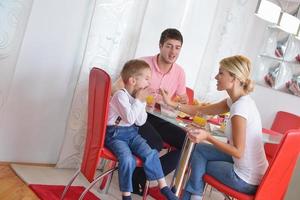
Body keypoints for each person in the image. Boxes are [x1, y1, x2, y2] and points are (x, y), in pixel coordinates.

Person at [161, 55, 269, 200]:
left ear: (234, 78)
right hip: (253, 171)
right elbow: (201, 110)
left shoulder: (240, 109)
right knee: (198, 150)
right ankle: (194, 197)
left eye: (221, 73)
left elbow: (238, 151)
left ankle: (191, 197)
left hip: (245, 179)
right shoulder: (236, 101)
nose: (216, 77)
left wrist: (208, 137)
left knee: (200, 164)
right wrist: (172, 103)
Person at [112, 28, 188, 195]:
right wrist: (137, 96)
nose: (173, 51)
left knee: (187, 143)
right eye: (169, 46)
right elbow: (116, 87)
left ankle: (141, 174)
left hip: (161, 118)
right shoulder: (143, 64)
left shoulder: (180, 72)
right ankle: (137, 174)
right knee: (156, 143)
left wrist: (179, 101)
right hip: (138, 116)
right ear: (160, 46)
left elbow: (183, 99)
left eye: (177, 47)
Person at [106, 59, 178, 200]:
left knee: (151, 153)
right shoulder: (120, 95)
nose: (148, 83)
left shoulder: (135, 97)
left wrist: (142, 102)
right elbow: (130, 118)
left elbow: (140, 122)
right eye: (146, 79)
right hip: (115, 135)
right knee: (127, 159)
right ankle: (126, 195)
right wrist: (139, 100)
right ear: (132, 80)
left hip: (131, 133)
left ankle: (163, 187)